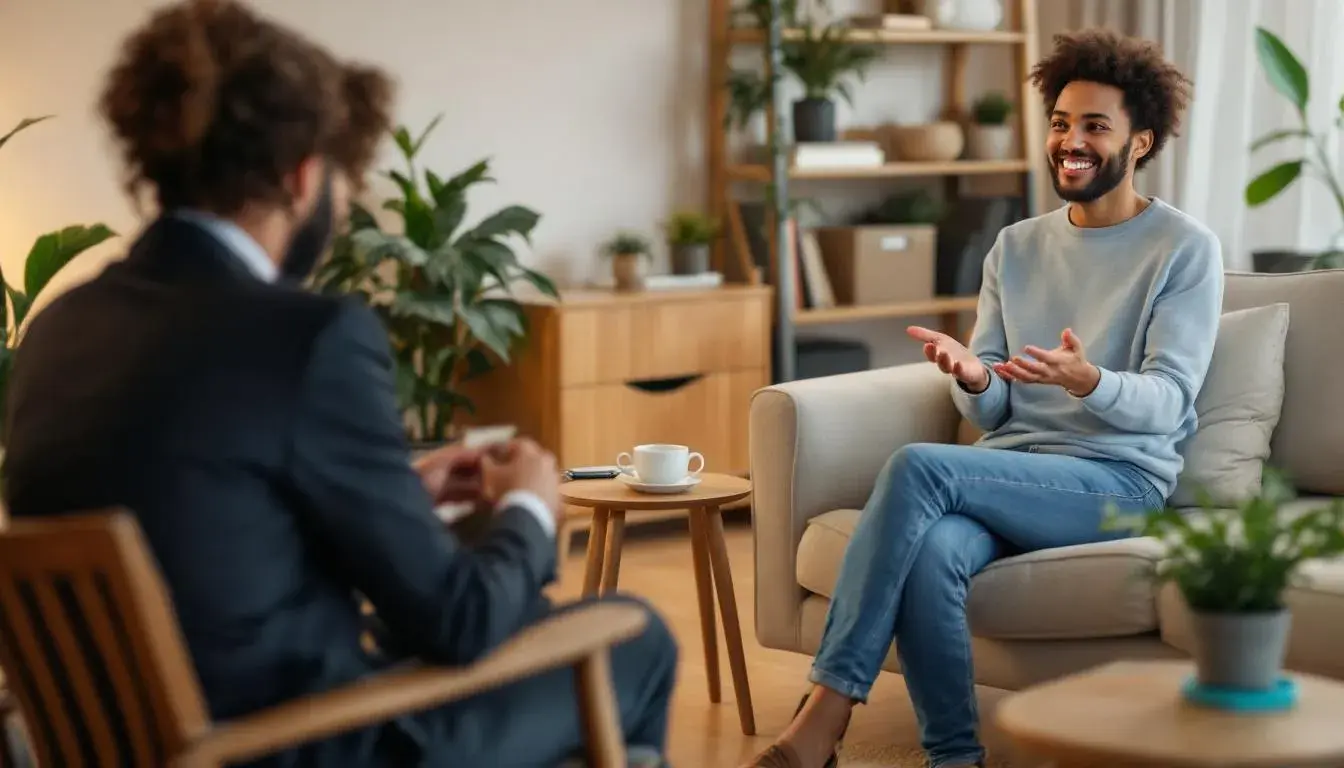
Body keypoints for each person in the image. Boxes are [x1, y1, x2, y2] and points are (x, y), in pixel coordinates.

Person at [0, 1, 676, 766]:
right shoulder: (305, 335)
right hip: (296, 743)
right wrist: (529, 506)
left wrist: (392, 493)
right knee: (638, 637)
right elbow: (458, 621)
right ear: (302, 177)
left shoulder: (58, 329)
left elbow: (201, 534)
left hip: (139, 746)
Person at [745, 28, 1221, 768]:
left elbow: (1169, 402)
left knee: (919, 467)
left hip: (1118, 482)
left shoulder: (1184, 248)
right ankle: (955, 758)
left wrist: (1087, 380)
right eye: (1062, 123)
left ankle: (825, 713)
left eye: (1097, 126)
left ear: (1141, 141)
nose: (1072, 141)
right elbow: (995, 408)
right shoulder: (1016, 246)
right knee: (933, 550)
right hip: (1013, 470)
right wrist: (975, 379)